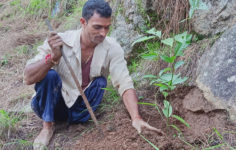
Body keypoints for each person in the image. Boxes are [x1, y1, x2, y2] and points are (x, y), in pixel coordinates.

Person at [23, 0, 161, 149]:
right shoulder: (60, 41)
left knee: (101, 82)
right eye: (97, 27)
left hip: (79, 109)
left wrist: (136, 118)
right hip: (51, 105)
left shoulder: (112, 48)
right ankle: (47, 126)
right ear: (83, 22)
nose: (103, 33)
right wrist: (52, 59)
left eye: (107, 27)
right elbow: (28, 77)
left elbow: (124, 82)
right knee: (50, 76)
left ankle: (74, 121)